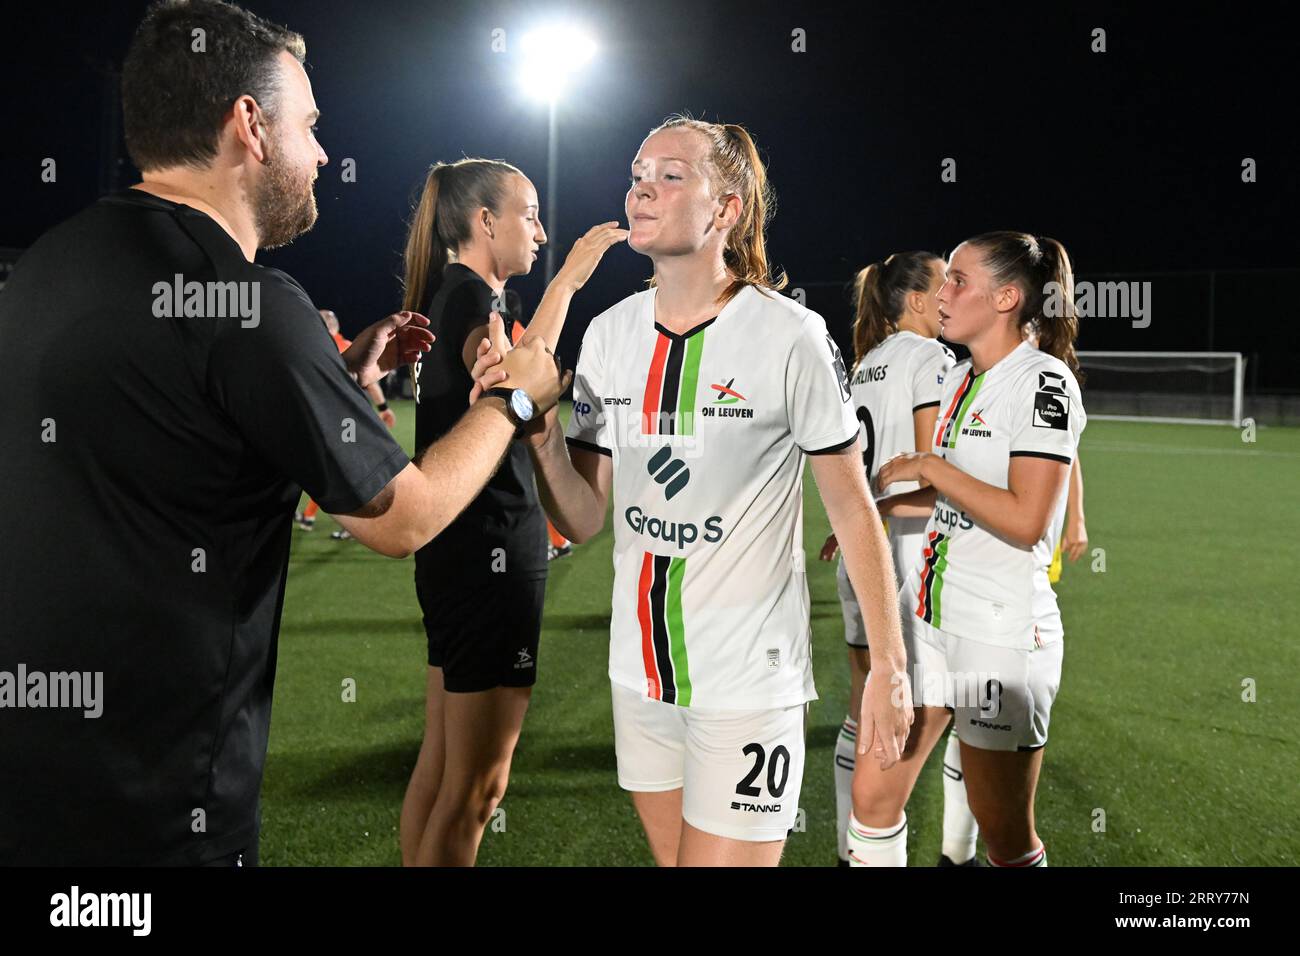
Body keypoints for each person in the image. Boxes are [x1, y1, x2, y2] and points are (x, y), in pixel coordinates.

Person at [0, 0, 564, 866]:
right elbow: (402, 519)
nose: (323, 154)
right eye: (309, 125)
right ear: (250, 126)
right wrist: (512, 401)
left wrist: (339, 383)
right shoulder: (253, 305)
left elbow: (172, 433)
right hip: (162, 804)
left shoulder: (48, 263)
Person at [470, 114, 914, 866]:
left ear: (727, 209)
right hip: (638, 676)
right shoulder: (610, 335)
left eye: (672, 174)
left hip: (748, 681)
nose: (644, 186)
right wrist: (542, 439)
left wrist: (891, 669)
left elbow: (851, 505)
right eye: (639, 173)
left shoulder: (791, 336)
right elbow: (582, 519)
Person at [395, 156, 626, 866]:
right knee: (476, 792)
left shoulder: (458, 294)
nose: (542, 232)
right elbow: (513, 372)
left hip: (460, 555)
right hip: (489, 557)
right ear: (484, 222)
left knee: (440, 772)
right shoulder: (469, 301)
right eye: (528, 215)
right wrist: (571, 281)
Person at [848, 231, 1086, 868]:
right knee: (872, 796)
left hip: (997, 631)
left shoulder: (1044, 383)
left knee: (1004, 833)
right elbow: (955, 500)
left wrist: (931, 466)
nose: (941, 293)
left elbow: (1028, 518)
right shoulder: (955, 375)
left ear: (1007, 298)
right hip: (925, 618)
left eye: (957, 280)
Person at [817, 251, 982, 865]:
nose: (951, 297)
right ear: (916, 301)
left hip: (861, 558)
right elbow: (930, 473)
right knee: (963, 708)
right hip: (915, 561)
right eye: (946, 285)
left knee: (867, 710)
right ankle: (950, 855)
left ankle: (848, 850)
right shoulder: (934, 360)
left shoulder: (864, 367)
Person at [296, 309, 396, 535]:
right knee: (341, 471)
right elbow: (370, 381)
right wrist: (383, 408)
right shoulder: (350, 345)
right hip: (351, 419)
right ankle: (312, 516)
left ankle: (356, 523)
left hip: (326, 420)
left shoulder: (315, 346)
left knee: (335, 472)